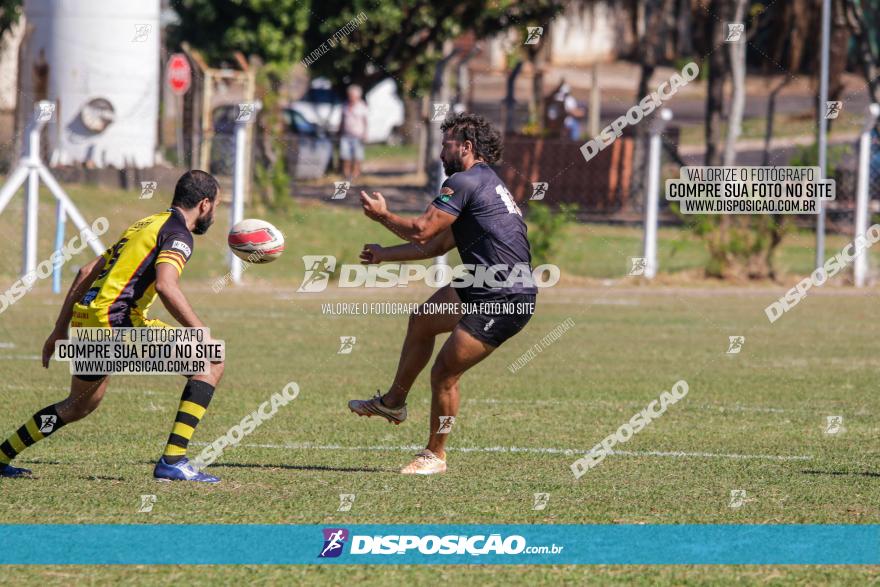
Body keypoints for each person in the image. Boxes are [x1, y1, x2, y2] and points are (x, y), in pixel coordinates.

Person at [0, 170, 225, 483]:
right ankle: (173, 461)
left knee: (77, 406)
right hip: (117, 322)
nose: (214, 212)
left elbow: (86, 271)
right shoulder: (178, 234)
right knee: (211, 360)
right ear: (204, 204)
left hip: (88, 318)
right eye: (217, 205)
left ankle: (1, 457)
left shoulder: (146, 224)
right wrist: (199, 331)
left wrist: (59, 329)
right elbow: (166, 286)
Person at [348, 113, 538, 475]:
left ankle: (435, 455)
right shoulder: (484, 183)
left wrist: (383, 216)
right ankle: (393, 402)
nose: (440, 153)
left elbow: (421, 230)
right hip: (482, 280)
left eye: (446, 144)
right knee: (422, 321)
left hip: (506, 295)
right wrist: (385, 254)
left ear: (466, 147)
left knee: (445, 374)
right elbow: (435, 244)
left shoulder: (464, 182)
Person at [339, 84, 369, 181]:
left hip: (358, 135)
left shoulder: (362, 106)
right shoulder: (345, 105)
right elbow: (342, 119)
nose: (350, 97)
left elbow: (366, 121)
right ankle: (346, 175)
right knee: (345, 155)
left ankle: (355, 174)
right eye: (349, 95)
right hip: (346, 134)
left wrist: (365, 133)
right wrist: (339, 130)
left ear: (357, 96)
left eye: (352, 95)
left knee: (357, 156)